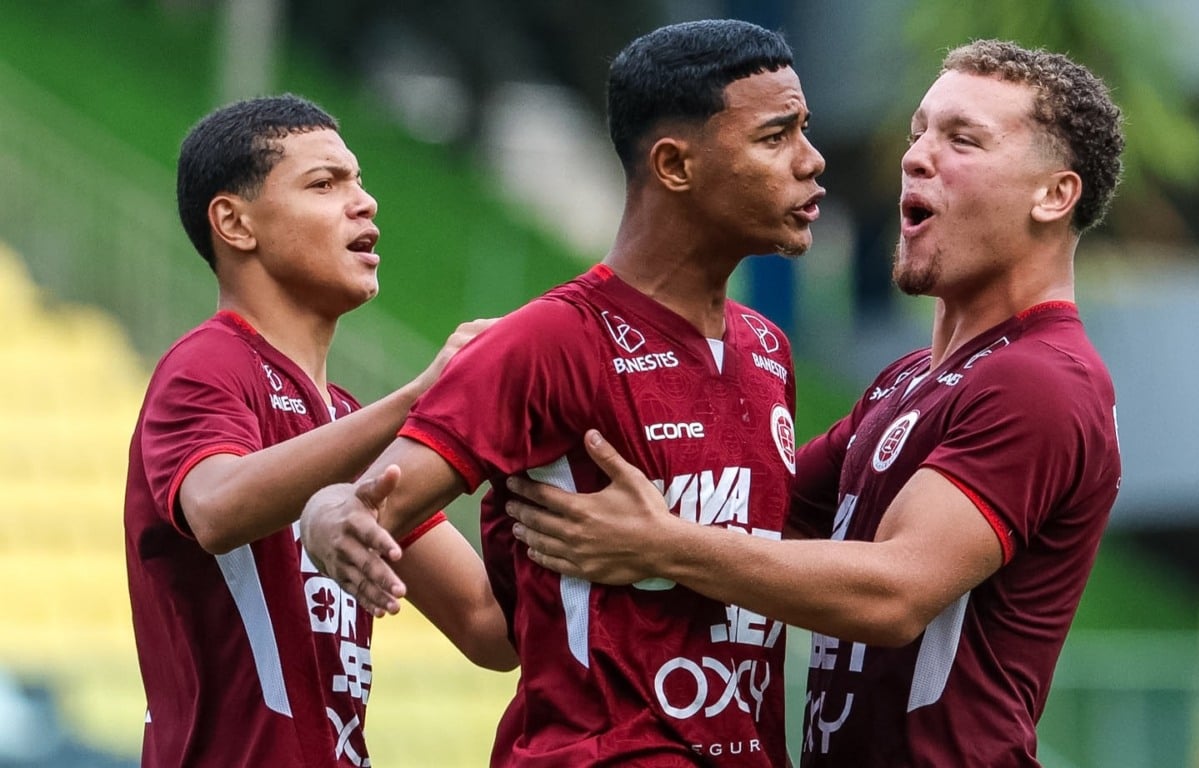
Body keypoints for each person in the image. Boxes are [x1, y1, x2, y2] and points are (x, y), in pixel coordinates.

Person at [503, 39, 1126, 767]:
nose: (917, 156)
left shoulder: (1042, 379)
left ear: (1054, 195)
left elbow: (893, 594)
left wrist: (661, 543)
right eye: (919, 131)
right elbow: (745, 511)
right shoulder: (907, 382)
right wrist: (522, 380)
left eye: (963, 140)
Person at [299, 19, 825, 767]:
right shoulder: (548, 340)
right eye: (777, 138)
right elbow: (371, 498)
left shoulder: (768, 351)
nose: (812, 161)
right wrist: (328, 517)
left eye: (805, 131)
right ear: (674, 164)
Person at [123, 94, 512, 768]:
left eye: (359, 181)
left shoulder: (342, 414)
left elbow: (488, 626)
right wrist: (422, 397)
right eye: (325, 184)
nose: (364, 203)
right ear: (235, 223)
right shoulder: (206, 364)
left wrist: (619, 526)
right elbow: (215, 508)